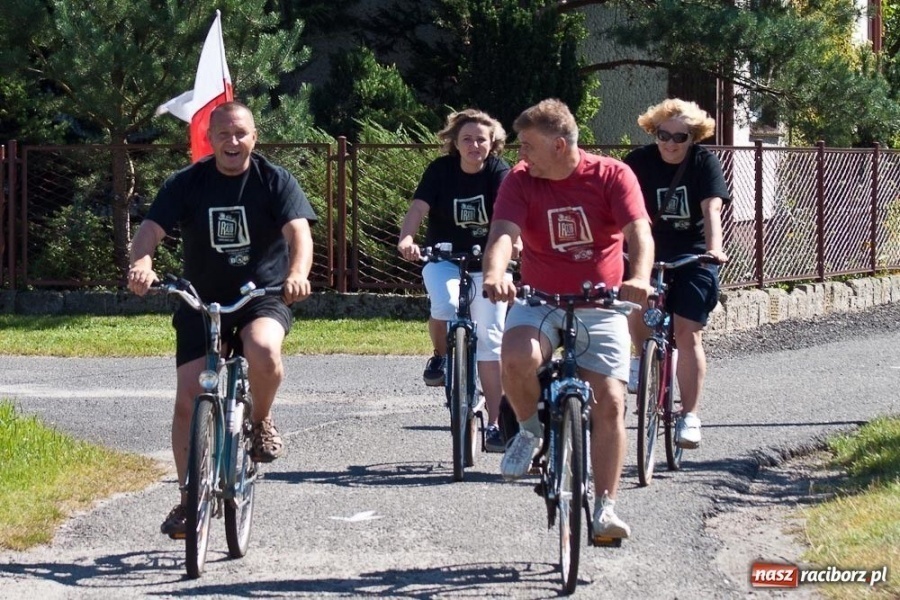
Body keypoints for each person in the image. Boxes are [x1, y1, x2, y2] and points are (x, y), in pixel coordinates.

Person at [127, 101, 317, 539]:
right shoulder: (187, 182)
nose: (233, 142)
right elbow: (150, 230)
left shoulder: (274, 179)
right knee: (188, 397)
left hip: (261, 295)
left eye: (241, 133)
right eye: (224, 134)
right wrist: (142, 262)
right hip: (201, 300)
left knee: (263, 349)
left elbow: (299, 233)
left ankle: (260, 421)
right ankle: (188, 497)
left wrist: (296, 274)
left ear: (254, 137)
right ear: (209, 138)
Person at [482, 99, 654, 540]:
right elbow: (503, 233)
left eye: (527, 145)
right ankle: (529, 431)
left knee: (610, 401)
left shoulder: (612, 175)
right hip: (541, 299)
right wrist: (495, 274)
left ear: (559, 145)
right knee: (516, 356)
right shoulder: (520, 180)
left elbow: (639, 232)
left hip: (601, 303)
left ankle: (605, 507)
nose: (520, 154)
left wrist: (638, 278)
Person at [397, 108, 513, 453]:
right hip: (443, 259)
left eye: (481, 139)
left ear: (493, 143)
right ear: (455, 143)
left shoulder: (499, 172)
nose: (475, 145)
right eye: (467, 139)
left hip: (489, 263)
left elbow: (511, 213)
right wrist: (407, 238)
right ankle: (440, 355)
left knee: (491, 338)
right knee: (446, 303)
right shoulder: (440, 170)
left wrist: (517, 243)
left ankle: (496, 424)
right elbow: (418, 208)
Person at [623, 98, 730, 451]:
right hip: (647, 251)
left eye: (680, 137)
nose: (670, 143)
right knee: (638, 300)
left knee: (687, 334)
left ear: (693, 137)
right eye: (663, 135)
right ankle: (641, 356)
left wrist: (714, 250)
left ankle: (690, 416)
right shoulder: (638, 162)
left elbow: (712, 209)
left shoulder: (703, 162)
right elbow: (619, 206)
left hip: (692, 255)